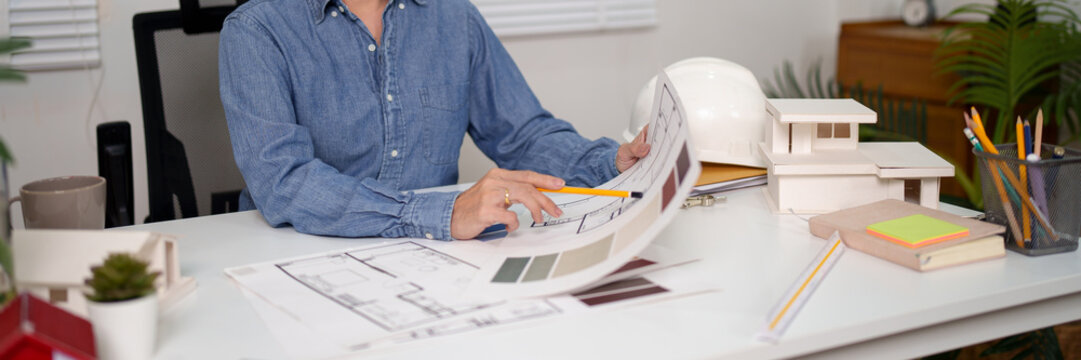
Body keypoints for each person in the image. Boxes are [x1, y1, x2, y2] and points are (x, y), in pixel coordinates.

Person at [219, 0, 649, 240]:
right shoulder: (257, 28)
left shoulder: (453, 16)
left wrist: (608, 163)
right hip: (299, 249)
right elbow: (283, 181)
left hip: (432, 256)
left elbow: (520, 132)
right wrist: (438, 214)